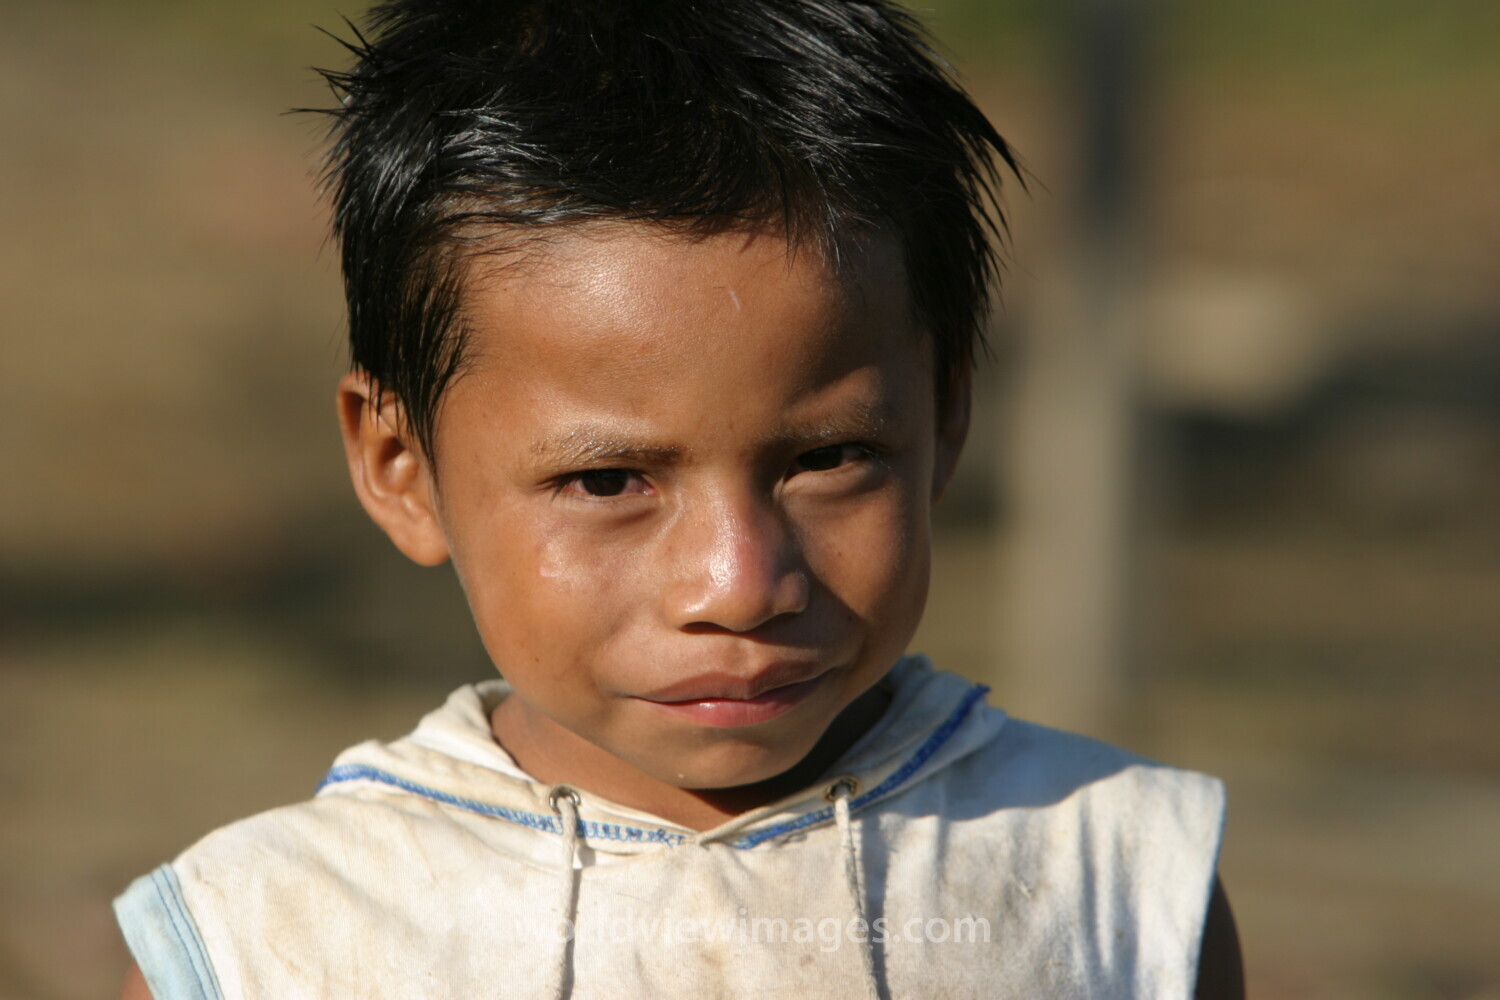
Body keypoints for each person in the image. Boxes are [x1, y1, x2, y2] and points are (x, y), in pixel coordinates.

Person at [114, 0, 1243, 997]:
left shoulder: (1116, 887)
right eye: (608, 480)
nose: (739, 584)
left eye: (831, 458)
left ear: (945, 419)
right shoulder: (266, 941)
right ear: (400, 468)